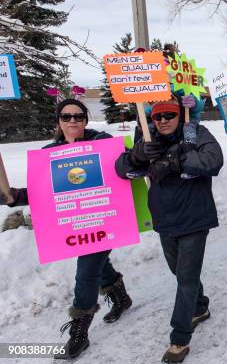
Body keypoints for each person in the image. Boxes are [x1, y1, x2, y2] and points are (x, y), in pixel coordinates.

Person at [0, 99, 132, 360]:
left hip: (103, 218)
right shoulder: (50, 152)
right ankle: (121, 297)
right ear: (58, 121)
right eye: (66, 116)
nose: (73, 121)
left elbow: (122, 166)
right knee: (95, 264)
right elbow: (43, 192)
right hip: (75, 221)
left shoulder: (100, 141)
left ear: (85, 119)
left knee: (85, 272)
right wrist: (15, 195)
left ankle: (78, 334)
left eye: (78, 116)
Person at [115, 98, 223, 363]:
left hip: (195, 218)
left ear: (179, 115)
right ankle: (199, 307)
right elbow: (121, 169)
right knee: (179, 271)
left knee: (185, 278)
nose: (163, 121)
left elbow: (213, 160)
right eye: (158, 116)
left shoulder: (195, 132)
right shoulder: (147, 137)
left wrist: (177, 160)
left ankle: (179, 338)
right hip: (165, 219)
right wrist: (136, 156)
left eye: (169, 115)